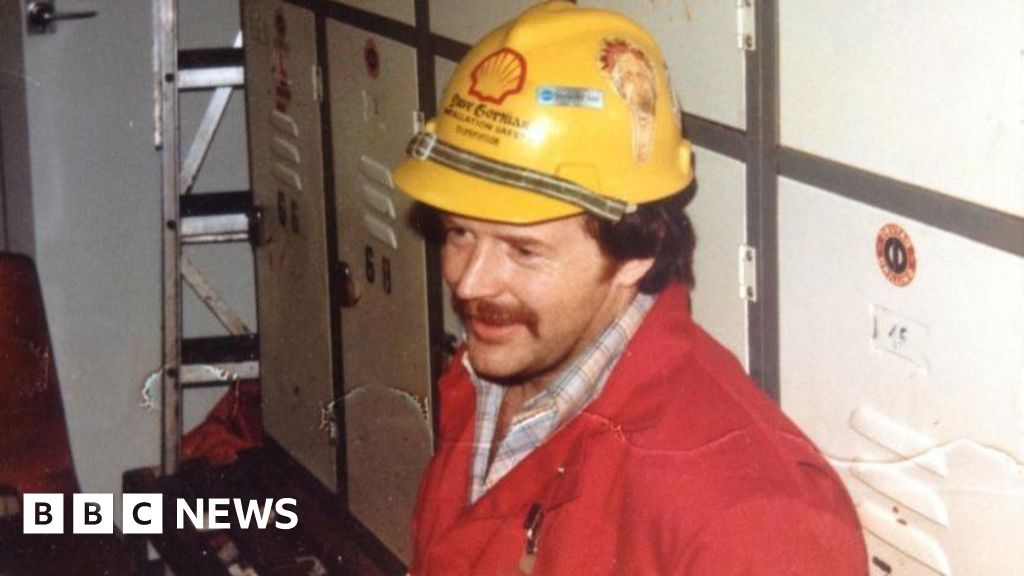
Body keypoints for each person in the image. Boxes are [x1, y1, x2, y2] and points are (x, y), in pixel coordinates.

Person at [392, 2, 867, 574]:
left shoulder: (749, 519)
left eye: (523, 251)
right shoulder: (492, 375)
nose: (470, 282)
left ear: (636, 253)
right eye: (459, 233)